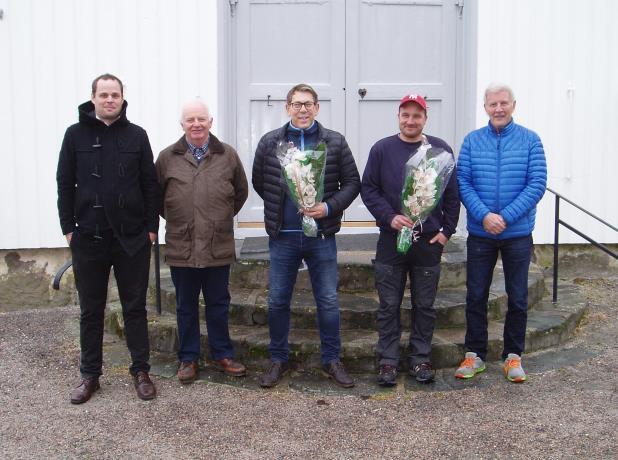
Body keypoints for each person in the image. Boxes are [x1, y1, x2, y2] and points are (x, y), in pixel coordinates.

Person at [56, 73, 159, 404]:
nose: (110, 99)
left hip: (131, 237)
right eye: (104, 95)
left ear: (122, 98)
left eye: (115, 94)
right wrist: (68, 228)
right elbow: (63, 184)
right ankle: (90, 376)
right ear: (93, 98)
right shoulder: (74, 136)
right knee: (91, 309)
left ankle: (141, 371)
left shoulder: (137, 136)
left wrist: (151, 228)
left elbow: (150, 184)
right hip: (88, 236)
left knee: (135, 308)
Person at [252, 83, 361, 388]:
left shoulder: (334, 142)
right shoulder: (270, 142)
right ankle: (277, 359)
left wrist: (327, 207)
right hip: (283, 236)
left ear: (317, 108)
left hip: (321, 237)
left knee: (327, 300)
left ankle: (332, 359)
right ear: (287, 108)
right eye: (297, 104)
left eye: (308, 104)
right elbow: (260, 181)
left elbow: (353, 183)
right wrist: (281, 205)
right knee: (277, 301)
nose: (303, 109)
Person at [361, 94, 460, 386]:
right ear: (398, 116)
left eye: (417, 116)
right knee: (388, 304)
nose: (411, 121)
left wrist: (446, 232)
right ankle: (388, 362)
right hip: (391, 240)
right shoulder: (382, 149)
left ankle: (421, 360)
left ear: (425, 118)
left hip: (427, 241)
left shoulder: (440, 150)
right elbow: (369, 189)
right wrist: (390, 216)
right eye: (406, 115)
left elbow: (451, 194)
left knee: (425, 305)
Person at [455, 83, 547, 383]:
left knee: (518, 297)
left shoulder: (531, 141)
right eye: (492, 104)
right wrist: (484, 216)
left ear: (513, 105)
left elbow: (536, 184)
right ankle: (475, 355)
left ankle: (513, 356)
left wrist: (504, 217)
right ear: (485, 108)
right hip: (481, 233)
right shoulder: (471, 141)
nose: (498, 109)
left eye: (503, 103)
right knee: (476, 296)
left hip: (517, 233)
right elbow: (463, 182)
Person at [156, 99, 248, 384]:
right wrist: (184, 220)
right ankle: (188, 358)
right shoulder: (167, 158)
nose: (196, 124)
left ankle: (223, 354)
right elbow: (158, 199)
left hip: (216, 245)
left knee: (218, 303)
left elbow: (240, 193)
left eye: (201, 119)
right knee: (185, 305)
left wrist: (215, 219)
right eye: (190, 120)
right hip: (181, 246)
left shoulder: (227, 155)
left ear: (211, 122)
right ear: (182, 125)